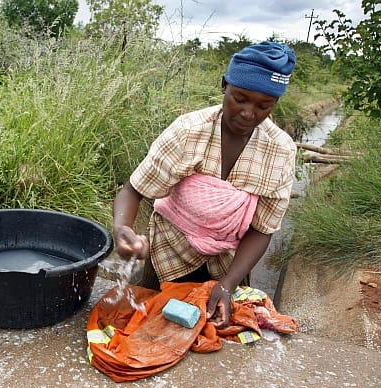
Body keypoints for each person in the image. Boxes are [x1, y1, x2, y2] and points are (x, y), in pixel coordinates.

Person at [112, 41, 297, 330]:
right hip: (169, 251)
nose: (249, 113)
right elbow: (134, 190)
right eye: (240, 98)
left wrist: (228, 285)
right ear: (224, 85)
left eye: (264, 106)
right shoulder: (188, 132)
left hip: (230, 263)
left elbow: (263, 229)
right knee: (149, 323)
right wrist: (122, 229)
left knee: (216, 333)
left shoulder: (281, 151)